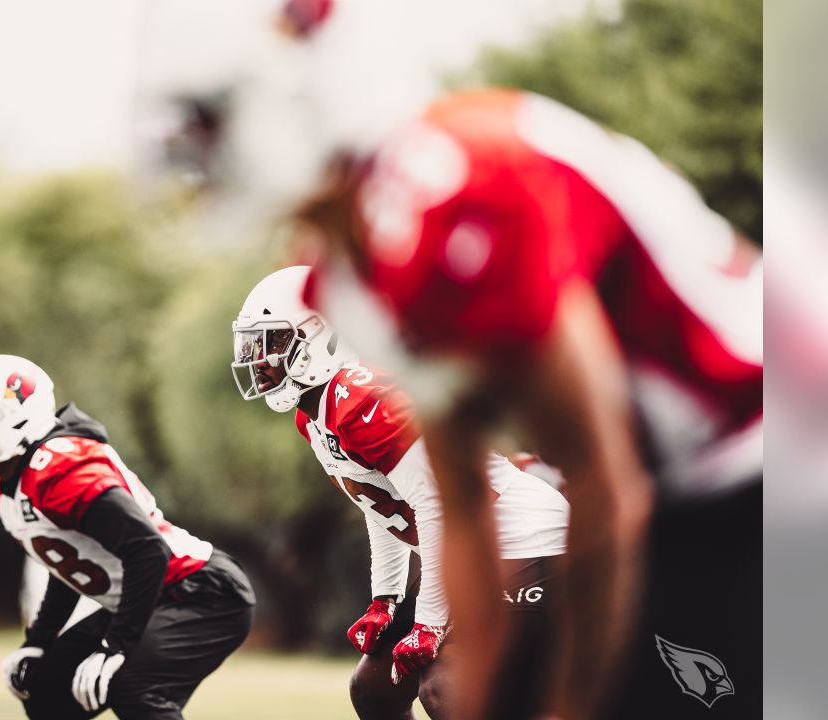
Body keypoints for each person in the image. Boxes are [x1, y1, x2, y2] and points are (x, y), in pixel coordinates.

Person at [296, 89, 762, 720]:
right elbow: (462, 504)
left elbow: (605, 481)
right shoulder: (356, 266)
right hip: (671, 473)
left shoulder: (462, 193)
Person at [232, 266, 569, 719]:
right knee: (374, 687)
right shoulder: (315, 415)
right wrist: (385, 598)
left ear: (321, 337)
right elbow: (382, 507)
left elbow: (440, 508)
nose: (261, 359)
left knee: (446, 688)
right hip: (464, 544)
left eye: (272, 343)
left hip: (525, 543)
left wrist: (428, 624)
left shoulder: (361, 403)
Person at [0, 354, 254, 720]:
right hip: (153, 596)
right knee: (48, 692)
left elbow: (148, 550)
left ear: (14, 421)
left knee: (133, 687)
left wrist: (115, 647)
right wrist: (38, 643)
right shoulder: (11, 484)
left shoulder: (59, 470)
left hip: (203, 592)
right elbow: (69, 563)